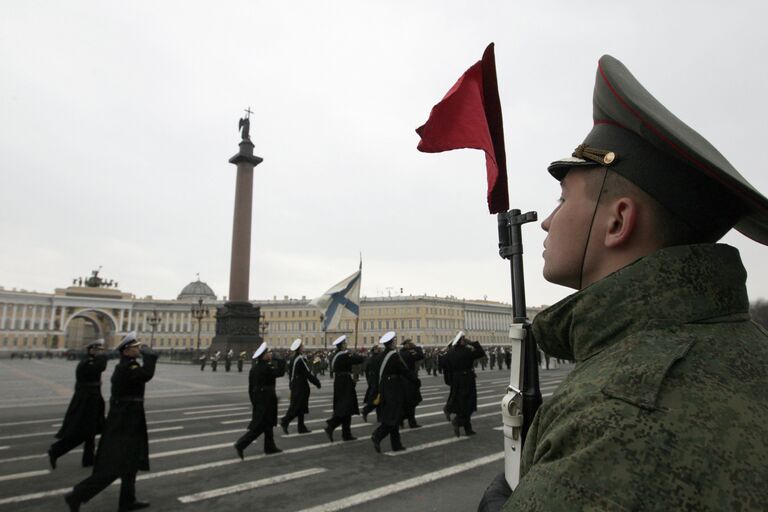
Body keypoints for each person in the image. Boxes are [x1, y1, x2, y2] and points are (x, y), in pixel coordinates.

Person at [479, 55, 768, 511]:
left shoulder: (613, 412)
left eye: (563, 197)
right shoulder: (744, 347)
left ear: (618, 221)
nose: (547, 222)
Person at [65, 332, 158, 512]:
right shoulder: (127, 368)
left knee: (130, 463)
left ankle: (127, 501)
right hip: (125, 422)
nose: (139, 349)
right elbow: (146, 374)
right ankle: (76, 495)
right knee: (114, 466)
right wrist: (151, 356)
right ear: (127, 351)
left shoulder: (127, 365)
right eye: (136, 347)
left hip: (129, 418)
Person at [49, 339, 107, 469]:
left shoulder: (89, 361)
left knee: (91, 432)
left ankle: (88, 459)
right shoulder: (87, 363)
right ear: (91, 350)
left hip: (92, 400)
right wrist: (103, 356)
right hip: (86, 402)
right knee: (83, 432)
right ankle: (56, 450)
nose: (101, 352)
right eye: (99, 350)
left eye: (101, 350)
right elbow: (101, 366)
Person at [234, 343, 286, 459]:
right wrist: (280, 359)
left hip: (259, 400)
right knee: (260, 426)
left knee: (268, 424)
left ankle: (270, 447)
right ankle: (241, 444)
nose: (270, 354)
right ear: (263, 356)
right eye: (268, 353)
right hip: (267, 401)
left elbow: (250, 388)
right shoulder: (267, 368)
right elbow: (280, 373)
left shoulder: (254, 369)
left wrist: (254, 402)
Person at [370, 331, 412, 453]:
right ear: (391, 343)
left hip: (384, 388)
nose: (395, 343)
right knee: (394, 415)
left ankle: (396, 444)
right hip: (394, 388)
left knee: (395, 415)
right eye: (394, 341)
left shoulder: (379, 356)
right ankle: (377, 435)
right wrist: (415, 380)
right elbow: (403, 370)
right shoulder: (394, 355)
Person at [323, 335, 365, 442]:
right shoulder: (344, 355)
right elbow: (358, 359)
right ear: (342, 345)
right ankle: (332, 425)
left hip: (339, 382)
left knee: (346, 409)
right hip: (345, 382)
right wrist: (358, 354)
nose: (346, 345)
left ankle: (346, 434)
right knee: (346, 407)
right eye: (345, 343)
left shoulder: (335, 355)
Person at [444, 331, 485, 437]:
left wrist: (450, 380)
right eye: (463, 339)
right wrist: (472, 343)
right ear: (461, 341)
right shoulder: (466, 351)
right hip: (467, 379)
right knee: (469, 403)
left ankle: (467, 428)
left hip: (456, 380)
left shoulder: (450, 353)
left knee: (461, 403)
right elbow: (481, 352)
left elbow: (446, 368)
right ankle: (458, 421)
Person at [280, 338, 321, 434]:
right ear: (299, 348)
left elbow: (290, 374)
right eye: (302, 346)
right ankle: (285, 421)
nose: (303, 347)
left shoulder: (293, 358)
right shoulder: (300, 359)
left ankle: (301, 427)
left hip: (295, 384)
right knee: (296, 406)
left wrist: (291, 384)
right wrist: (317, 382)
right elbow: (307, 373)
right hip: (300, 386)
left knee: (301, 407)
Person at [399, 338, 424, 428]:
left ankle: (401, 420)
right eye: (410, 343)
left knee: (404, 403)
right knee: (411, 403)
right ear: (407, 345)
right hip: (410, 380)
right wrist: (416, 347)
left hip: (401, 381)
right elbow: (421, 356)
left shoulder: (399, 354)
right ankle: (412, 422)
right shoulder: (410, 353)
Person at [360, 342, 382, 422]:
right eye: (377, 349)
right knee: (377, 400)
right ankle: (366, 410)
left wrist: (369, 382)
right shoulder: (378, 358)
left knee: (379, 400)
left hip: (373, 382)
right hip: (377, 382)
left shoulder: (370, 359)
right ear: (374, 350)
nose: (378, 349)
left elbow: (366, 372)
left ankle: (379, 417)